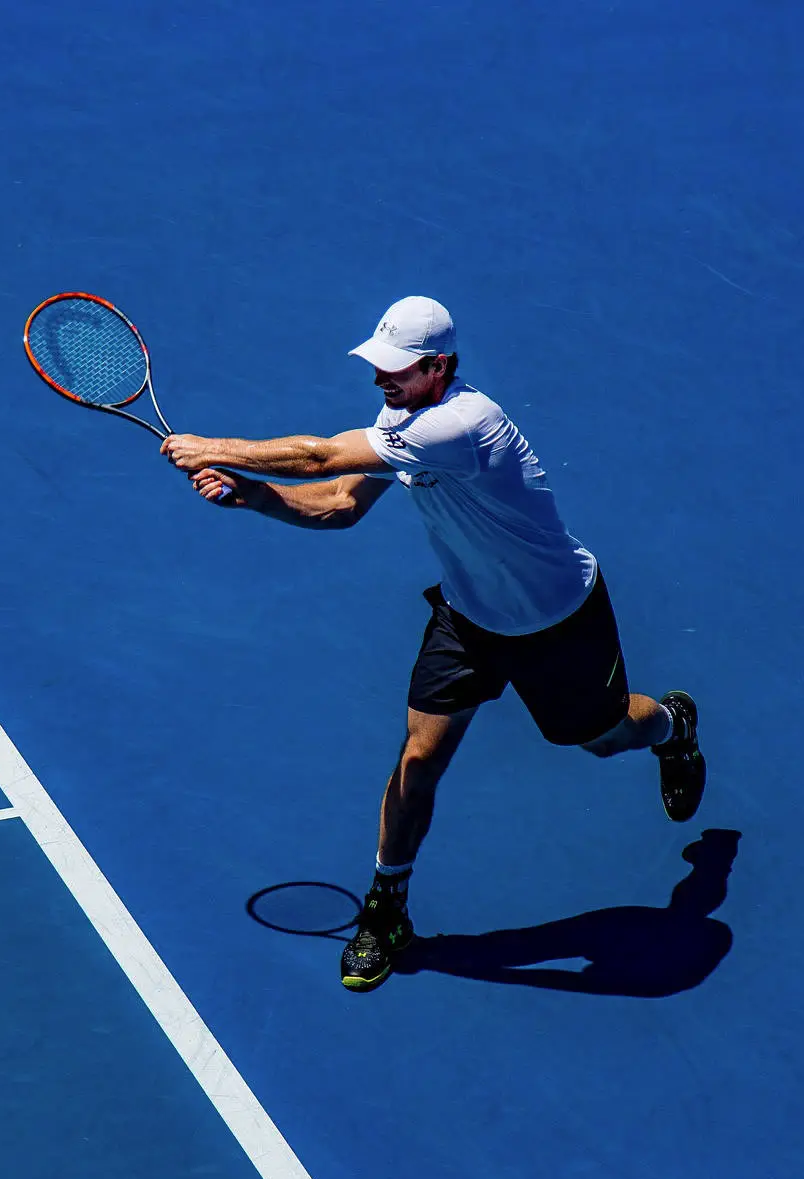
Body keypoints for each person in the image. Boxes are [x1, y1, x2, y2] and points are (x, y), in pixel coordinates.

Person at [160, 296, 705, 993]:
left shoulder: (462, 424)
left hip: (559, 619)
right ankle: (386, 909)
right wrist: (254, 495)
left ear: (439, 366)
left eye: (396, 368)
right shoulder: (402, 418)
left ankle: (672, 724)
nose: (379, 379)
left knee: (602, 738)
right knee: (419, 759)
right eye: (377, 365)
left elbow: (320, 456)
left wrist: (213, 447)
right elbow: (340, 503)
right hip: (468, 618)